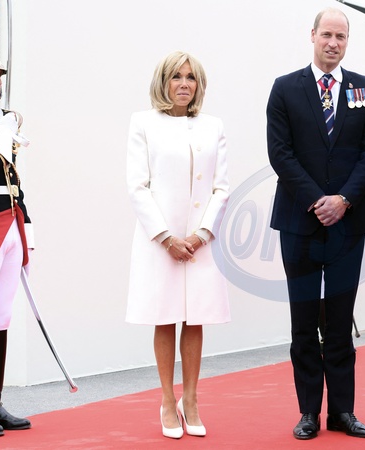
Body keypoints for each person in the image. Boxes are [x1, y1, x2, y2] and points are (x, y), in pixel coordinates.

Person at [266, 7, 365, 440]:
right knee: (302, 322)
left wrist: (344, 200)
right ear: (312, 35)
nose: (333, 43)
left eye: (341, 36)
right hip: (299, 223)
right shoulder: (285, 88)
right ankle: (309, 412)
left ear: (347, 41)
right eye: (327, 35)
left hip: (347, 226)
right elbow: (280, 153)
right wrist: (319, 200)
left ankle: (342, 412)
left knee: (339, 320)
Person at [126, 51, 230, 439]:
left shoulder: (213, 126)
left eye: (191, 77)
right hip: (161, 241)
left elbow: (221, 187)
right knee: (165, 316)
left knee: (195, 316)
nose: (184, 84)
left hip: (199, 241)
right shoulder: (143, 123)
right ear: (163, 82)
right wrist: (167, 237)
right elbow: (137, 186)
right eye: (176, 76)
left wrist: (202, 234)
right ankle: (167, 401)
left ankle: (192, 399)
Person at [0, 19, 33, 438]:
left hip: (9, 225)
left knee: (0, 315)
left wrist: (24, 221)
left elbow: (10, 178)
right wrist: (3, 133)